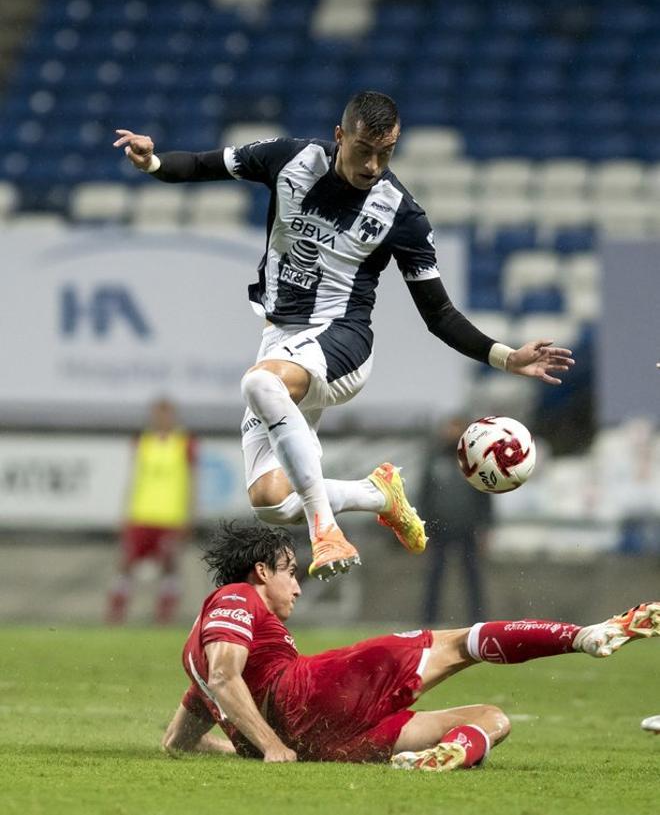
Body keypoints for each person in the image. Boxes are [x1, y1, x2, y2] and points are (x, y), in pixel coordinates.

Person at [114, 91, 575, 581]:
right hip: (282, 340)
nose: (373, 165)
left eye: (386, 153)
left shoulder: (402, 214)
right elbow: (204, 165)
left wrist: (506, 357)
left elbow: (438, 312)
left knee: (259, 384)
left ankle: (324, 531)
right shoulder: (289, 159)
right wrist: (153, 161)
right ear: (340, 137)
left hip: (343, 341)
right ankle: (377, 494)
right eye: (363, 150)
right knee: (270, 501)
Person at [161, 521, 660, 769]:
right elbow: (226, 675)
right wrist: (269, 747)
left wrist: (241, 744)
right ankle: (587, 635)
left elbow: (178, 741)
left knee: (489, 718)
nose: (296, 586)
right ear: (261, 571)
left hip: (323, 743)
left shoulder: (196, 663)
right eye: (290, 573)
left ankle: (438, 763)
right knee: (458, 643)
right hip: (310, 696)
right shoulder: (236, 595)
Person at [106, 397, 197, 624]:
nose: (162, 419)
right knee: (126, 565)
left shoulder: (184, 443)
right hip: (141, 514)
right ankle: (115, 615)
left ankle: (163, 618)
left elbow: (192, 482)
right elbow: (134, 480)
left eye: (166, 414)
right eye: (158, 414)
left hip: (170, 516)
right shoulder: (143, 441)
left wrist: (190, 515)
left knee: (169, 566)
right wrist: (125, 512)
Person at [418, 415, 492, 625]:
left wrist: (485, 528)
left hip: (467, 528)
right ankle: (429, 619)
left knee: (472, 577)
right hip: (439, 529)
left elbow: (484, 495)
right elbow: (425, 495)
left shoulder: (473, 461)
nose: (451, 434)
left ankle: (477, 619)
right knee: (434, 576)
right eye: (449, 428)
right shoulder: (434, 459)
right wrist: (422, 527)